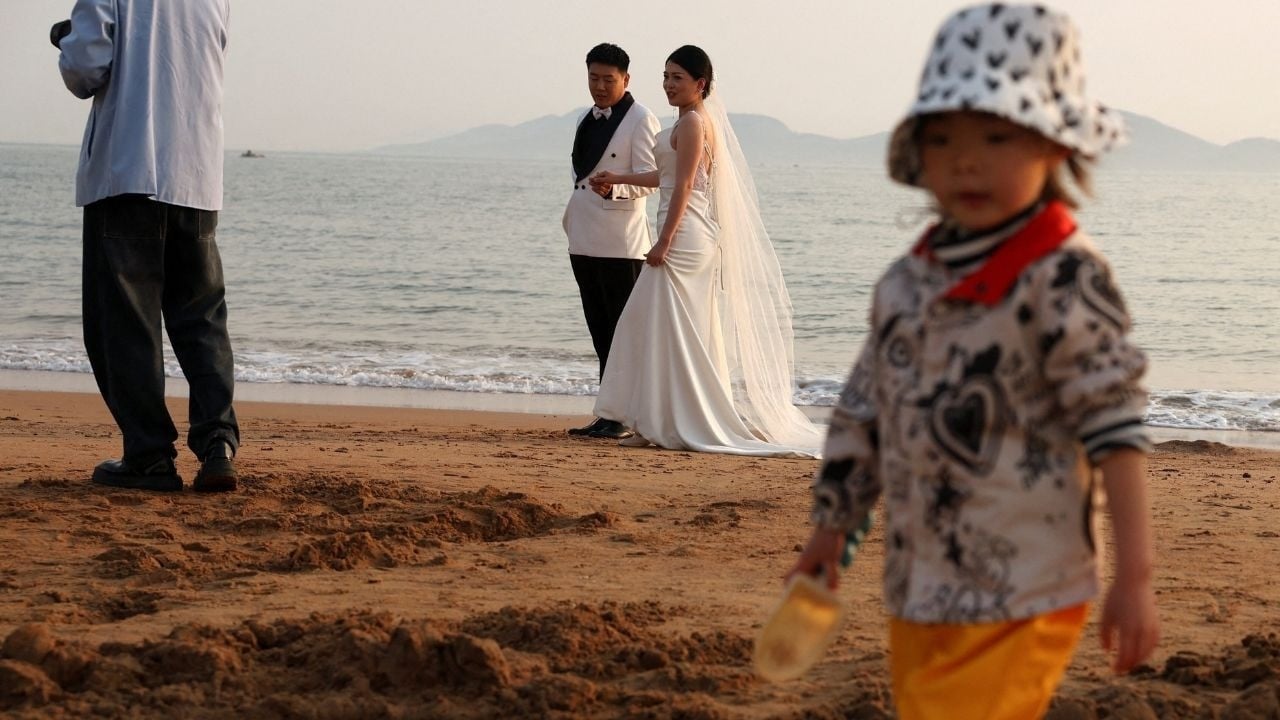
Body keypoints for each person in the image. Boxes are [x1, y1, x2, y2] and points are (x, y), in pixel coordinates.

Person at [787, 5, 1159, 717]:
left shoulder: (1063, 277)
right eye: (944, 137)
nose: (967, 158)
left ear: (1055, 147)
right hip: (920, 582)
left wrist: (1136, 575)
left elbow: (1115, 427)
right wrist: (831, 529)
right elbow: (864, 414)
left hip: (1028, 583)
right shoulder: (905, 282)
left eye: (997, 135)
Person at [590, 46, 823, 457]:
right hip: (679, 233)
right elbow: (664, 176)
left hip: (686, 237)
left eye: (677, 77)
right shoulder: (683, 122)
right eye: (665, 76)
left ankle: (679, 419)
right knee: (662, 327)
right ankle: (659, 416)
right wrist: (619, 177)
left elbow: (683, 188)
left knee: (663, 326)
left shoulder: (696, 123)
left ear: (700, 84)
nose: (668, 84)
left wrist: (662, 242)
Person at [56, 0, 240, 492]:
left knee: (125, 323)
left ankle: (149, 454)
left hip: (128, 169)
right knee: (201, 316)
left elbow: (85, 68)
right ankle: (217, 444)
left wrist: (64, 41)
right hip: (197, 173)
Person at [562, 43, 662, 441]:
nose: (599, 87)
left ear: (626, 79)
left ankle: (622, 416)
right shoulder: (587, 118)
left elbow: (652, 179)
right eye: (593, 78)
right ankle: (608, 412)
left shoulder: (640, 119)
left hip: (621, 244)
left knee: (622, 333)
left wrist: (616, 191)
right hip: (583, 237)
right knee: (599, 329)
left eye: (608, 79)